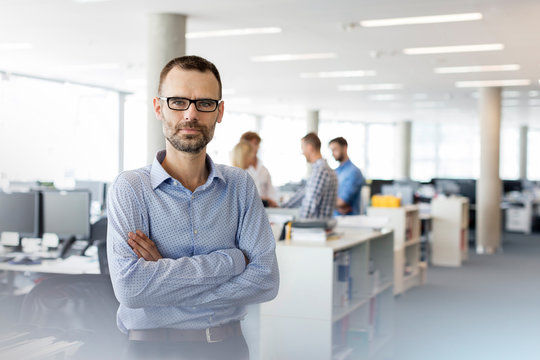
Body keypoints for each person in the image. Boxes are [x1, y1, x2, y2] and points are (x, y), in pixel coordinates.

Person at [106, 55, 279, 360]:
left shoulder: (240, 186)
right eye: (178, 101)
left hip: (227, 348)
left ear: (219, 111)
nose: (191, 113)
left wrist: (164, 280)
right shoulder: (131, 189)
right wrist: (232, 261)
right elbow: (131, 289)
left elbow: (265, 280)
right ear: (159, 107)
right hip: (151, 350)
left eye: (204, 103)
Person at [282, 132, 337, 219]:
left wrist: (299, 226)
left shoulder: (321, 170)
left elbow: (310, 206)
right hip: (316, 228)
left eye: (302, 148)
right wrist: (282, 207)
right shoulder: (319, 169)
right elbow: (303, 194)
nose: (302, 152)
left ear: (309, 147)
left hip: (314, 229)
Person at [231, 141, 277, 207]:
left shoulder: (241, 173)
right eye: (250, 157)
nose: (251, 160)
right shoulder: (236, 176)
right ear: (244, 157)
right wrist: (266, 201)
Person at [328, 137, 365, 216]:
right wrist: (336, 206)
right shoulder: (335, 171)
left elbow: (342, 202)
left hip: (350, 221)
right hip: (335, 218)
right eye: (331, 150)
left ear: (344, 148)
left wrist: (328, 203)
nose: (332, 153)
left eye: (335, 149)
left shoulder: (353, 172)